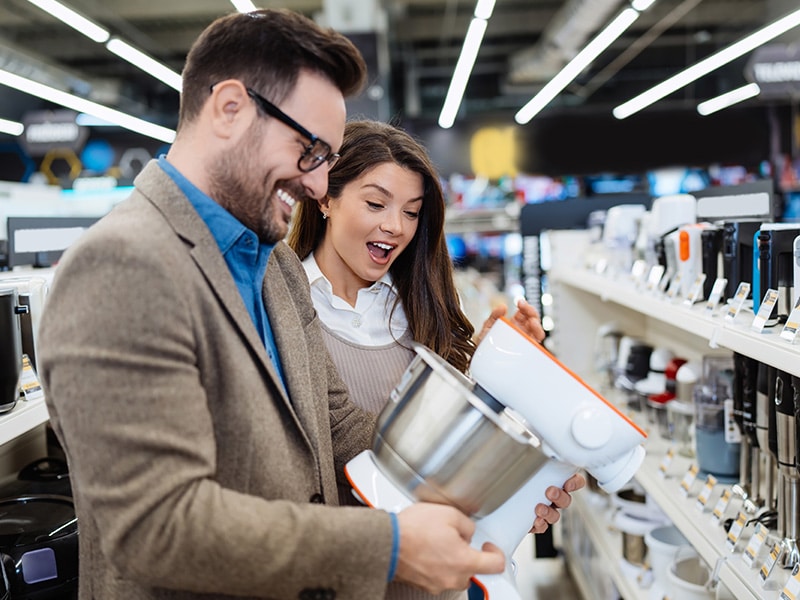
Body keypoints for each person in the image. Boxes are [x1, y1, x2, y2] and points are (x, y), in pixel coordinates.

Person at [38, 9, 577, 600]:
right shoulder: (122, 265)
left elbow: (340, 427)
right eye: (310, 149)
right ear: (229, 108)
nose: (319, 185)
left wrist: (498, 472)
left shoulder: (271, 265)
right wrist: (391, 545)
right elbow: (158, 526)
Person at [287, 119, 585, 600]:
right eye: (376, 203)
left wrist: (497, 374)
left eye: (411, 212)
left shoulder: (421, 307)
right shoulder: (282, 308)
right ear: (325, 198)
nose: (395, 227)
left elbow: (452, 455)